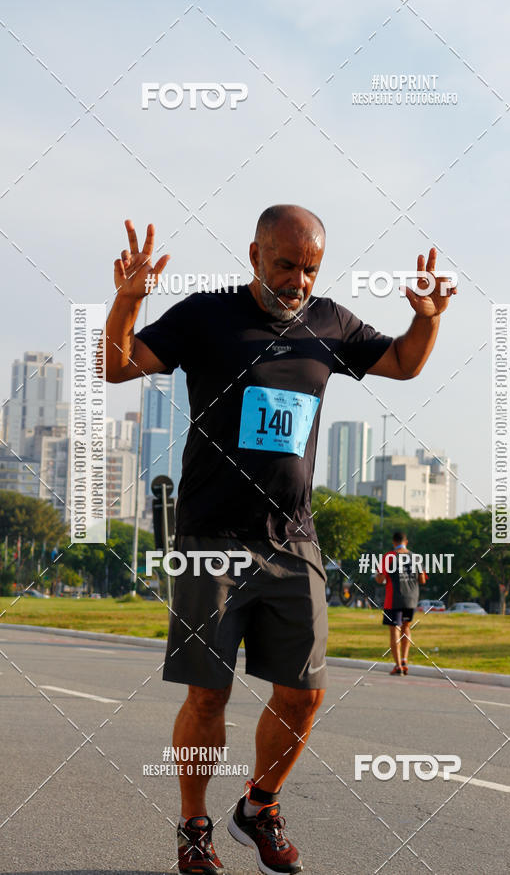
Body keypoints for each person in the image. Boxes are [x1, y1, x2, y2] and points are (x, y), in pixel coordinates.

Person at [103, 205, 455, 874]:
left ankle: (258, 806)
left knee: (305, 692)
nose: (298, 280)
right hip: (211, 538)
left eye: (311, 268)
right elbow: (119, 368)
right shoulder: (206, 316)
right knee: (208, 693)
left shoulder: (330, 322)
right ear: (256, 254)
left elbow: (405, 364)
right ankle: (194, 826)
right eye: (286, 264)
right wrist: (126, 305)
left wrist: (428, 320)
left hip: (294, 541)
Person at [376, 532, 427, 675]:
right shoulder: (416, 557)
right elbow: (422, 580)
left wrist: (379, 576)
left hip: (394, 599)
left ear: (394, 542)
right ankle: (404, 660)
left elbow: (380, 579)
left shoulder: (389, 556)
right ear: (406, 541)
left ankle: (398, 666)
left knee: (395, 631)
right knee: (406, 628)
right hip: (411, 599)